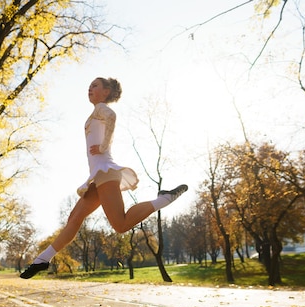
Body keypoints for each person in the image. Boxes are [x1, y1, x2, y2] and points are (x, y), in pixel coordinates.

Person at [20, 77, 187, 279]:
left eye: (95, 85)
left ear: (106, 91)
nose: (90, 88)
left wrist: (103, 146)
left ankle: (164, 198)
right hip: (97, 175)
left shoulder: (101, 109)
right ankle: (42, 260)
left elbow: (112, 116)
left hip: (106, 172)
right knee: (74, 218)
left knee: (121, 224)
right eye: (89, 85)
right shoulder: (95, 112)